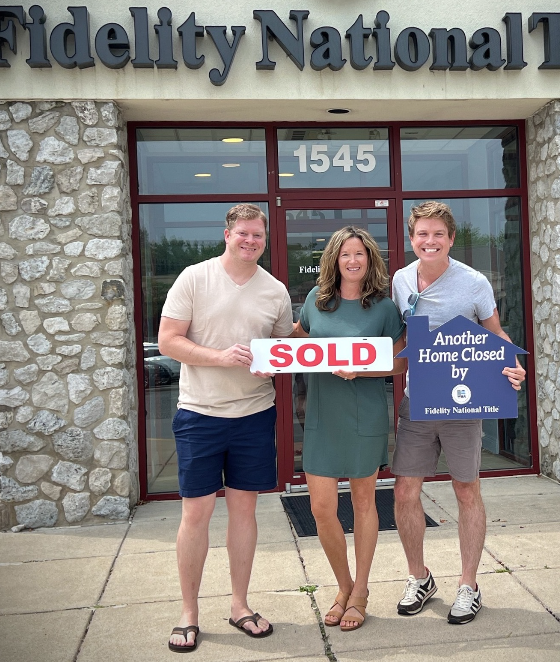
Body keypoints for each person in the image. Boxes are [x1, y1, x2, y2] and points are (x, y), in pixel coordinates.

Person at [158, 204, 293, 652]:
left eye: (258, 235)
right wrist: (220, 356)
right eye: (243, 234)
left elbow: (280, 351)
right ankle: (189, 613)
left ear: (265, 238)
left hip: (254, 416)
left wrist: (273, 364)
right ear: (227, 234)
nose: (250, 241)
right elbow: (168, 341)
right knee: (195, 514)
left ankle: (239, 605)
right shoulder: (194, 277)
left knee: (244, 514)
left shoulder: (274, 290)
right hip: (200, 414)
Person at [391, 201, 526, 624]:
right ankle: (420, 577)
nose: (429, 241)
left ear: (450, 239)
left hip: (462, 405)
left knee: (466, 491)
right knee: (404, 493)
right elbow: (400, 339)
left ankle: (468, 585)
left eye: (438, 235)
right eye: (422, 234)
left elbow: (495, 332)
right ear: (412, 238)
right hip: (417, 402)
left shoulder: (473, 282)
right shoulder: (399, 280)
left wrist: (512, 365)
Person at [292, 226, 406, 632]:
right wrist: (264, 352)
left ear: (369, 259)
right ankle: (344, 585)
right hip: (321, 415)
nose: (353, 260)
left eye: (360, 253)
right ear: (334, 260)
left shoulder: (384, 308)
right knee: (321, 508)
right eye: (345, 254)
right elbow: (295, 343)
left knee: (363, 505)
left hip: (365, 413)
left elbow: (400, 364)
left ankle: (360, 593)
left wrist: (364, 368)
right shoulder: (315, 301)